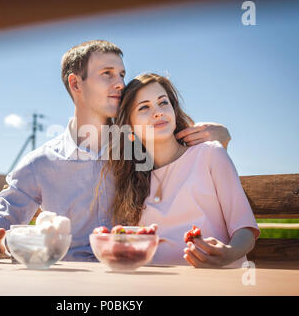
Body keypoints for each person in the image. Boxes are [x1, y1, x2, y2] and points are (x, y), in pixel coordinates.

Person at [0, 40, 232, 261]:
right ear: (76, 84)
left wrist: (221, 138)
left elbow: (188, 167)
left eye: (122, 74)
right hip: (64, 283)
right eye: (107, 74)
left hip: (132, 278)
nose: (121, 83)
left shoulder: (140, 149)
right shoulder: (40, 163)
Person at [96, 73, 260, 268]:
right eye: (144, 107)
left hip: (214, 280)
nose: (157, 112)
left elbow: (245, 229)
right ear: (130, 131)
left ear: (174, 110)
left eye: (163, 103)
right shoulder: (133, 180)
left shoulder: (210, 154)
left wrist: (229, 253)